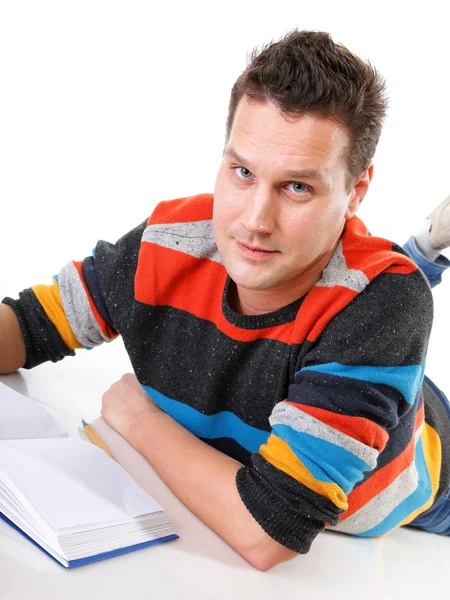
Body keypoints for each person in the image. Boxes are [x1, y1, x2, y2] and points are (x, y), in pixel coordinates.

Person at [1, 30, 450, 571]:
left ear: (356, 192)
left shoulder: (384, 307)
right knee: (356, 290)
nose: (254, 222)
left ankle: (418, 255)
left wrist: (142, 420)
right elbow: (26, 326)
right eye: (243, 173)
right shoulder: (172, 238)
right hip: (345, 341)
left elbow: (267, 532)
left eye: (297, 188)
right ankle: (423, 249)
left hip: (417, 478)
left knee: (383, 294)